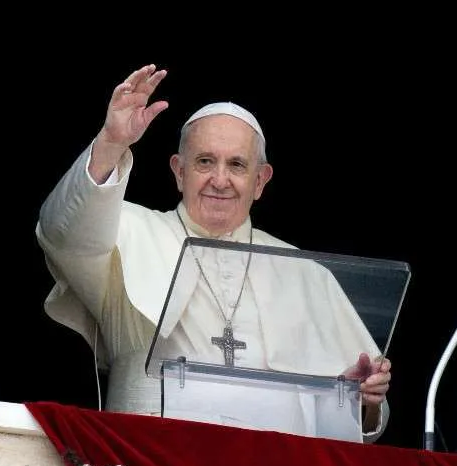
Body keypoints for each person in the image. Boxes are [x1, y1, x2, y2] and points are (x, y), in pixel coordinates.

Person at [36, 64, 392, 442]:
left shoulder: (306, 273)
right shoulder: (128, 232)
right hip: (152, 465)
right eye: (205, 161)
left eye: (236, 165)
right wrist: (111, 142)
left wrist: (359, 398)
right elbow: (63, 231)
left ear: (260, 181)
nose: (219, 180)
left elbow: (364, 417)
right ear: (179, 171)